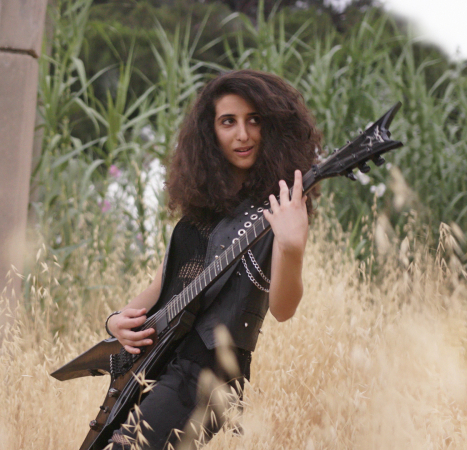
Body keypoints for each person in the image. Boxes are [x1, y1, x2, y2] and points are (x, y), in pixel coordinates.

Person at [104, 69, 320, 449]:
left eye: (255, 120)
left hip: (211, 377)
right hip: (161, 365)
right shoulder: (197, 220)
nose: (243, 134)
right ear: (210, 134)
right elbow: (162, 287)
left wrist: (292, 247)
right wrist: (116, 322)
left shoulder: (279, 210)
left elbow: (284, 309)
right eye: (228, 122)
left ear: (274, 128)